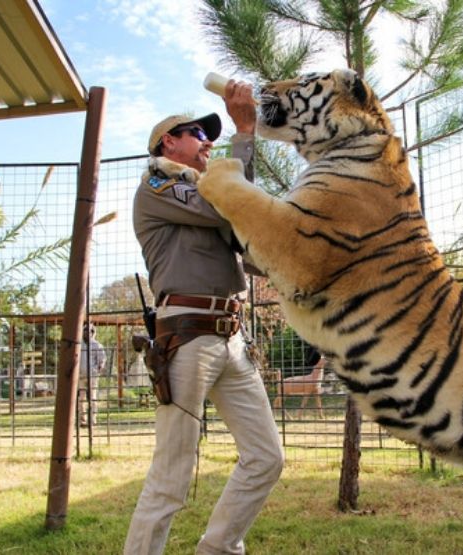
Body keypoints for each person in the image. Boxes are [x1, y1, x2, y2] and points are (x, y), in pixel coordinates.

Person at [125, 80, 284, 555]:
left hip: (233, 338)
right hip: (188, 337)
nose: (206, 141)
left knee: (266, 458)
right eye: (196, 132)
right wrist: (245, 131)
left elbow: (249, 231)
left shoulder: (206, 193)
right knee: (172, 475)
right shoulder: (159, 184)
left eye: (209, 134)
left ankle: (217, 549)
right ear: (166, 143)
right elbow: (230, 205)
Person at [78, 322, 106, 426]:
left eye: (88, 331)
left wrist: (98, 369)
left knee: (93, 398)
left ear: (92, 332)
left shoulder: (97, 345)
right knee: (81, 399)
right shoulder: (79, 344)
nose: (86, 333)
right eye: (84, 331)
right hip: (81, 376)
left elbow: (102, 360)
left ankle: (93, 419)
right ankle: (82, 420)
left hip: (92, 376)